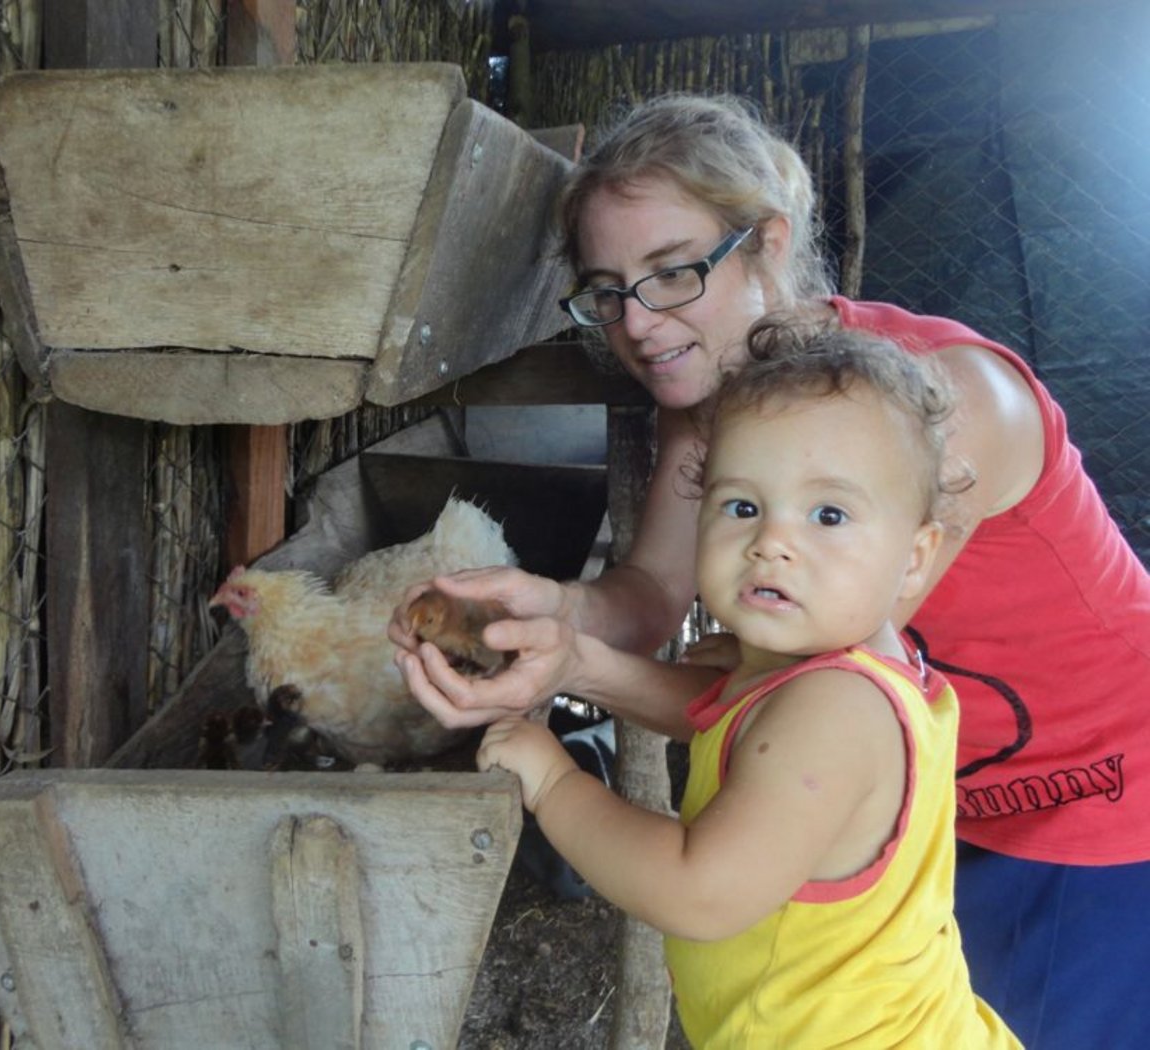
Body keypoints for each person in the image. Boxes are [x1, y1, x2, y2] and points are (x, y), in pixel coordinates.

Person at [390, 93, 1150, 1048]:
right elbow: (649, 600)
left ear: (768, 245)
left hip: (1103, 792)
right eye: (609, 291)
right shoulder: (721, 414)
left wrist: (559, 751)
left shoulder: (935, 410)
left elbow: (787, 693)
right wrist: (549, 615)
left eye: (673, 272)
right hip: (940, 799)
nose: (638, 323)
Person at [475, 325, 1018, 1046]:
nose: (771, 542)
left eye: (828, 515)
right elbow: (729, 725)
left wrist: (554, 784)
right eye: (741, 507)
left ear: (915, 558)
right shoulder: (833, 669)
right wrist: (579, 663)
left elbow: (698, 893)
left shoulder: (836, 710)